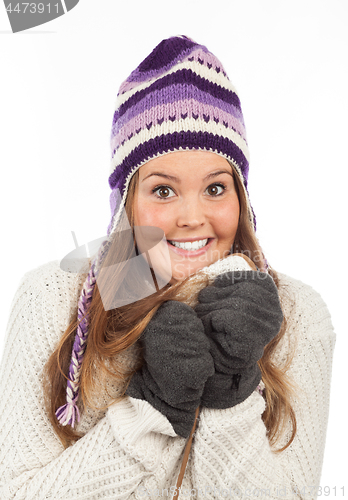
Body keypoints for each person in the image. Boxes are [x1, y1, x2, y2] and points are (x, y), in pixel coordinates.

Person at [0, 35, 335, 499]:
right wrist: (152, 410)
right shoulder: (53, 298)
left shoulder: (296, 313)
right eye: (163, 190)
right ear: (125, 204)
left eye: (215, 189)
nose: (192, 217)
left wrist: (230, 392)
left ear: (242, 195)